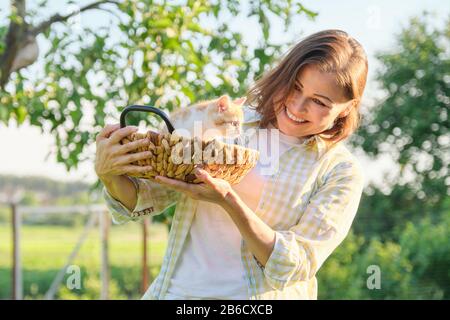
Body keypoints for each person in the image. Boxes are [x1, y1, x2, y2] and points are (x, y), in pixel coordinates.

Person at [95, 29, 368, 300]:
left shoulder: (339, 171)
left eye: (319, 102)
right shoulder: (227, 122)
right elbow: (147, 196)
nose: (297, 106)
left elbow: (294, 265)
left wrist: (228, 200)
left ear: (346, 108)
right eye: (295, 87)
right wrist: (109, 174)